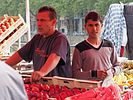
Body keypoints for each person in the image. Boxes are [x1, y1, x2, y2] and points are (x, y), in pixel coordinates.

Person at [5, 6, 72, 82]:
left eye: (43, 20)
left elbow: (55, 57)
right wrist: (3, 66)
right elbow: (19, 55)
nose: (39, 24)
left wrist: (42, 72)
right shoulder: (37, 38)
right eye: (38, 20)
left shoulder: (60, 38)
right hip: (41, 85)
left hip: (59, 87)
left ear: (53, 22)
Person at [72, 11, 122, 80]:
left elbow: (119, 66)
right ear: (85, 27)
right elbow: (75, 74)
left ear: (101, 26)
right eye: (90, 25)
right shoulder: (79, 48)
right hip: (89, 88)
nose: (94, 29)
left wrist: (112, 71)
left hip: (108, 87)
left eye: (96, 25)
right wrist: (94, 74)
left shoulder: (109, 45)